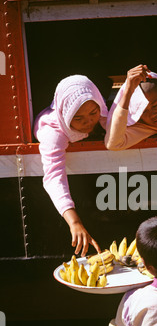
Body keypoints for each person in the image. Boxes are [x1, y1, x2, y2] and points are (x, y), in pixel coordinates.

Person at [34, 74, 108, 256]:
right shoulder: (52, 135)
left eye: (93, 113)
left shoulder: (100, 112)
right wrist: (74, 222)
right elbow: (53, 178)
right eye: (78, 118)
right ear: (65, 115)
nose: (89, 122)